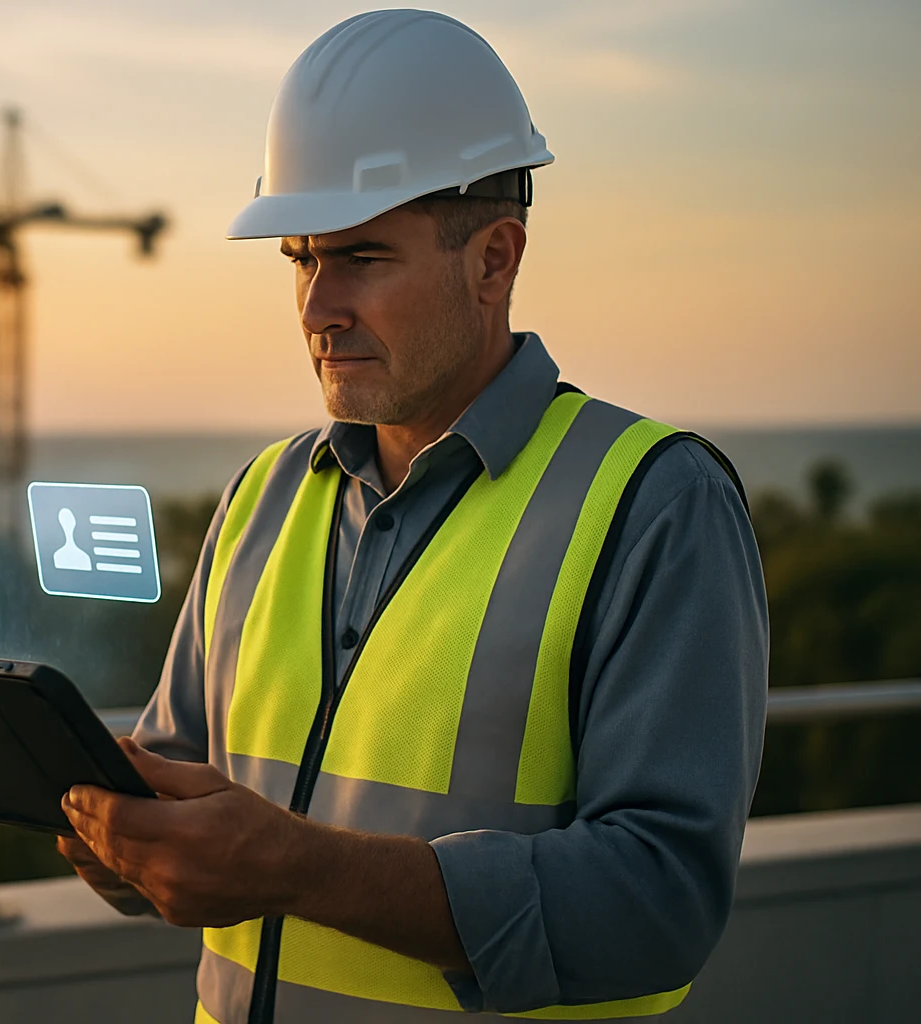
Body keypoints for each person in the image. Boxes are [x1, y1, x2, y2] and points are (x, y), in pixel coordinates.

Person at [57, 9, 768, 1023]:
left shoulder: (656, 504)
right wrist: (122, 840)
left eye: (361, 258)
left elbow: (659, 902)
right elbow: (179, 786)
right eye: (301, 258)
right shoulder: (263, 497)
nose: (315, 307)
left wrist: (302, 870)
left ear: (494, 259)